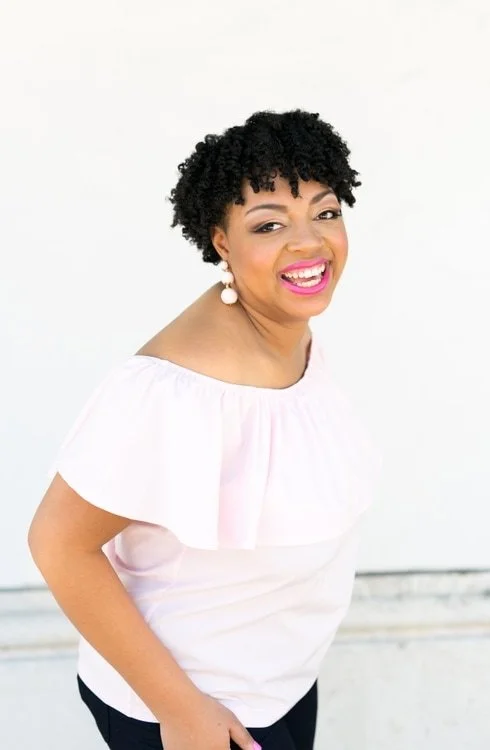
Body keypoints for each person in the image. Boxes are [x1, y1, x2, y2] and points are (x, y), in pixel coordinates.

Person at [28, 109, 381, 750]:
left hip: (278, 687)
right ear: (221, 242)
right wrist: (181, 709)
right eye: (269, 225)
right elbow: (57, 543)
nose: (309, 243)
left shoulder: (290, 334)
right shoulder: (173, 391)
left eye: (325, 212)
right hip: (197, 709)